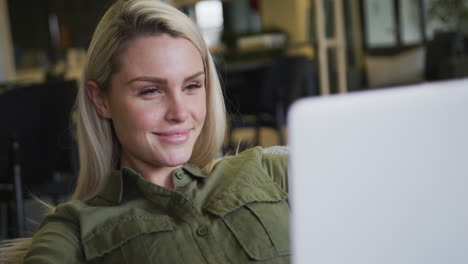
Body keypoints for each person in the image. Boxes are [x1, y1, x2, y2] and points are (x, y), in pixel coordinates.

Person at [1, 0, 289, 263]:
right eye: (151, 90)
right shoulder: (74, 229)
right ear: (101, 100)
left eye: (192, 86)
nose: (179, 112)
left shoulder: (266, 170)